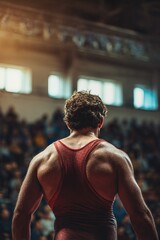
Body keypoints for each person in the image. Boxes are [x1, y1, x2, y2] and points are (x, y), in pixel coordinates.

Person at [12, 91, 158, 240]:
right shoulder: (114, 157)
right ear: (100, 122)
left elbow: (20, 215)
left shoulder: (42, 159)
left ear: (68, 122)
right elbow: (140, 216)